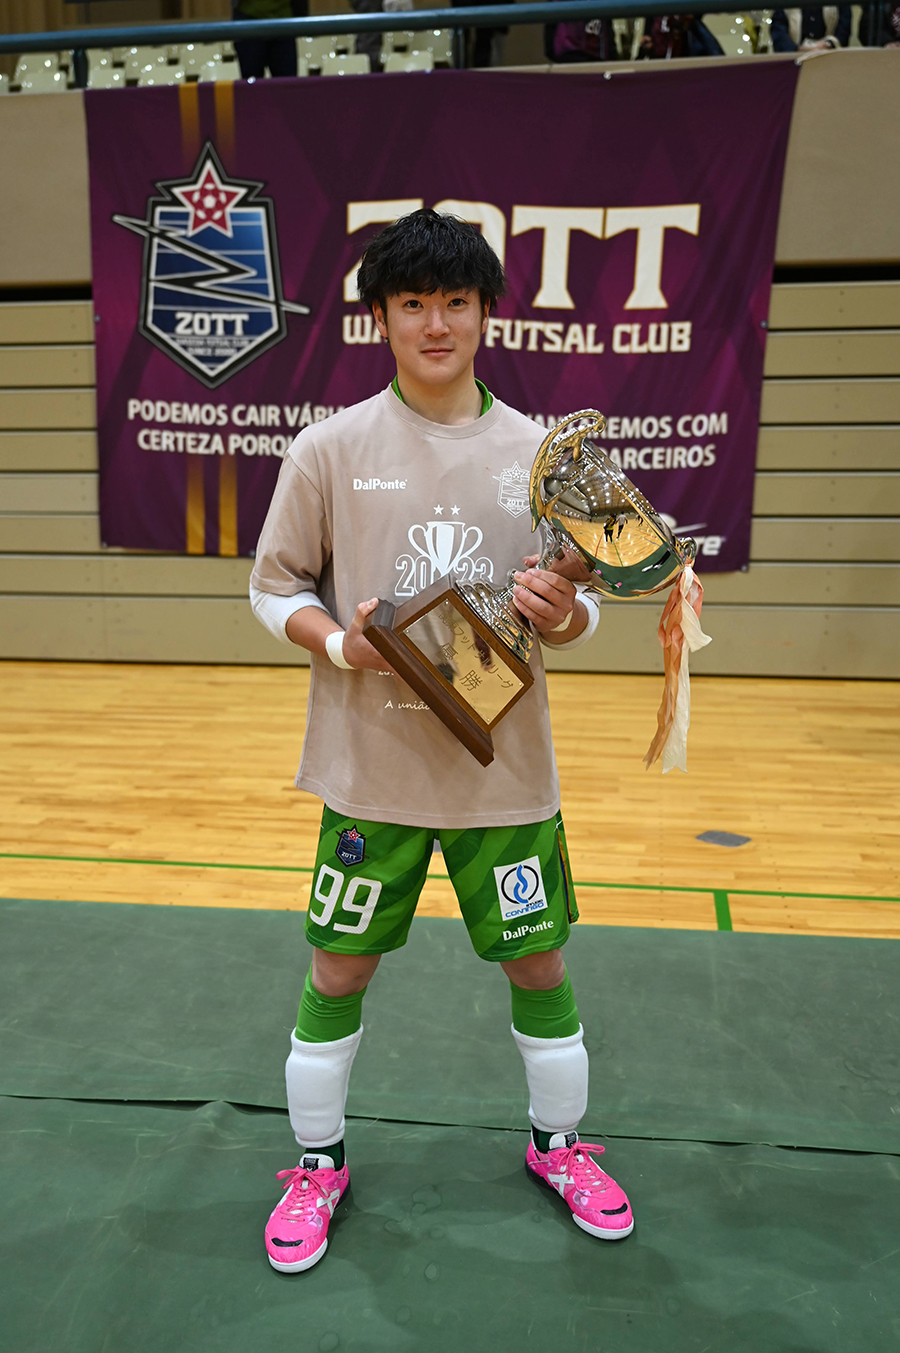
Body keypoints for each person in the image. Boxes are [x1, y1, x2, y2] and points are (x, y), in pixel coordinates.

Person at [249, 208, 632, 1274]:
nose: (435, 323)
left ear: (484, 312)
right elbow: (272, 586)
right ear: (380, 316)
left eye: (455, 301)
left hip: (503, 778)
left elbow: (584, 608)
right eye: (412, 302)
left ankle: (560, 1147)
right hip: (370, 773)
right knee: (337, 971)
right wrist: (342, 645)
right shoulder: (328, 448)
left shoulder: (542, 455)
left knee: (540, 962)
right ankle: (316, 1164)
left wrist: (568, 614)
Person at [770, 5, 852, 50]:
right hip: (794, 60)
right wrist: (798, 49)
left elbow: (844, 28)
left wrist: (828, 44)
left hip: (830, 56)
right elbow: (778, 31)